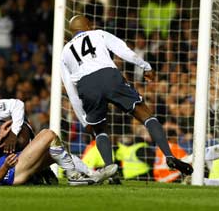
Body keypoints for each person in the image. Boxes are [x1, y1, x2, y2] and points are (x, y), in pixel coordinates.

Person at [60, 15, 193, 183]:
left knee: (99, 130)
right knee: (146, 115)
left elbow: (70, 89)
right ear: (88, 25)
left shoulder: (65, 52)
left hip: (86, 86)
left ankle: (111, 172)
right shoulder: (98, 34)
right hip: (108, 76)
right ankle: (169, 156)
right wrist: (145, 66)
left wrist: (83, 119)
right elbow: (123, 50)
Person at [0, 121, 117, 186]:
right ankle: (74, 177)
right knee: (48, 134)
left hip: (10, 165)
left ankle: (91, 174)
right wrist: (5, 167)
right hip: (10, 173)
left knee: (54, 151)